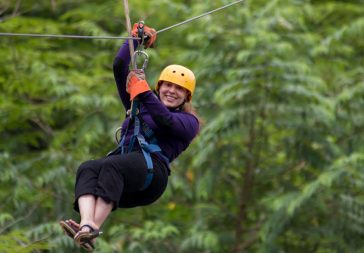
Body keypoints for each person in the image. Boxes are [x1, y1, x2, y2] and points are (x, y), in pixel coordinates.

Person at [59, 23, 200, 251]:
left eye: (179, 89)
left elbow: (165, 120)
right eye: (167, 86)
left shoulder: (189, 122)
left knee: (112, 166)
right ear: (159, 86)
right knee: (88, 168)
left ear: (186, 97)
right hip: (124, 172)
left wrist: (142, 91)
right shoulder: (139, 102)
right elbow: (119, 66)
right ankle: (86, 226)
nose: (172, 91)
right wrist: (133, 40)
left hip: (153, 174)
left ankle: (93, 227)